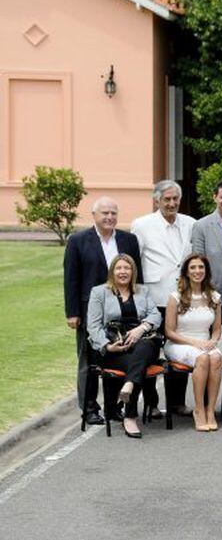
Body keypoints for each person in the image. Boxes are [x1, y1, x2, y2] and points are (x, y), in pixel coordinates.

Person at [64, 197, 144, 425]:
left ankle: (114, 407)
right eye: (105, 213)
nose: (109, 217)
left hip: (123, 310)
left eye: (113, 213)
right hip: (90, 310)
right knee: (90, 360)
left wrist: (139, 305)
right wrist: (72, 312)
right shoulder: (78, 241)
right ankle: (89, 407)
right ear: (94, 215)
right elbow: (71, 279)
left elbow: (138, 277)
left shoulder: (129, 240)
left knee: (119, 356)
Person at [131, 180, 195, 418]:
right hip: (154, 297)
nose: (171, 203)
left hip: (183, 297)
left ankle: (177, 402)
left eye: (175, 199)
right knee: (150, 351)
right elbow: (135, 261)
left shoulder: (191, 223)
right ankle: (151, 404)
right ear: (156, 201)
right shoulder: (142, 225)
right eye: (166, 199)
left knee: (181, 348)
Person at [86, 254, 161, 438]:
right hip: (113, 347)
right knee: (137, 365)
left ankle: (129, 409)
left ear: (133, 271)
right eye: (119, 268)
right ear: (112, 271)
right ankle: (130, 404)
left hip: (141, 344)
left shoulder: (143, 291)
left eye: (127, 268)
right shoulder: (99, 292)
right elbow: (93, 327)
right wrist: (108, 346)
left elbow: (155, 316)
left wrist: (141, 329)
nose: (123, 272)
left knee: (144, 347)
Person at [163, 254, 222, 431]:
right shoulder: (175, 297)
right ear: (186, 272)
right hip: (179, 343)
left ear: (206, 271)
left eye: (201, 267)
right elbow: (169, 332)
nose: (197, 271)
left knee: (216, 358)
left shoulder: (214, 297)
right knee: (203, 359)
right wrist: (194, 343)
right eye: (193, 268)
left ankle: (210, 410)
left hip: (205, 343)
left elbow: (217, 329)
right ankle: (198, 410)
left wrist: (213, 341)